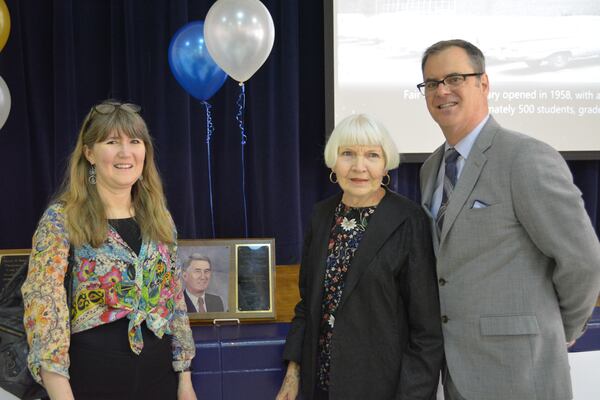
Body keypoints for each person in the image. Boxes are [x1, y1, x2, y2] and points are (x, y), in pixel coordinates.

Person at [417, 39, 600, 400]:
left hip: (523, 370)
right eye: (432, 83)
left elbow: (583, 259)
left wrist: (559, 330)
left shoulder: (525, 157)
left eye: (455, 78)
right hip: (457, 374)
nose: (442, 91)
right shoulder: (430, 169)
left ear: (483, 84)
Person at [21, 100, 197, 400]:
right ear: (89, 153)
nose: (125, 152)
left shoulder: (159, 217)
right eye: (112, 141)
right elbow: (44, 310)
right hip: (90, 381)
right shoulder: (61, 219)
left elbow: (175, 303)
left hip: (160, 381)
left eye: (134, 141)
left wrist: (185, 381)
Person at [277, 114, 443, 400]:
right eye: (348, 154)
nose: (359, 166)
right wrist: (293, 375)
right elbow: (307, 305)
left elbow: (426, 331)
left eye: (372, 155)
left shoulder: (409, 219)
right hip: (321, 386)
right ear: (333, 161)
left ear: (385, 163)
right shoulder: (322, 216)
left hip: (383, 388)